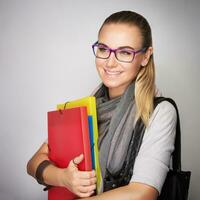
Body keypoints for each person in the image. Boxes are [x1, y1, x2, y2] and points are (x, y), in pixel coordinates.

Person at [27, 10, 177, 200]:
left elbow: (143, 193)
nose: (110, 62)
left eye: (125, 52)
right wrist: (63, 178)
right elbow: (33, 163)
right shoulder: (86, 106)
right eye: (104, 49)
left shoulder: (160, 111)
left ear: (145, 56)